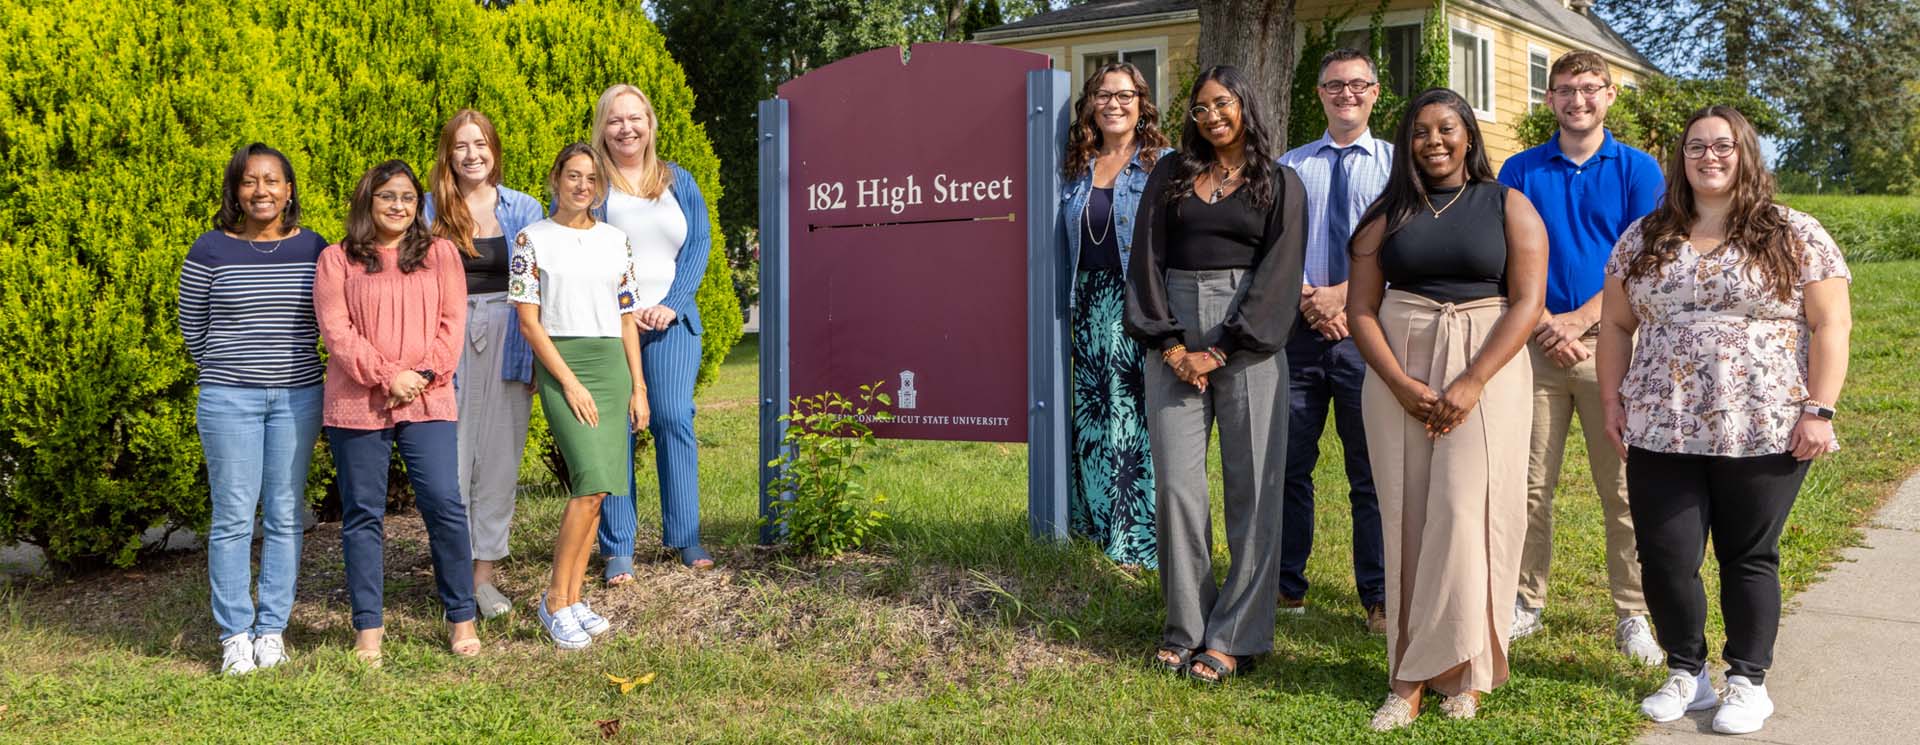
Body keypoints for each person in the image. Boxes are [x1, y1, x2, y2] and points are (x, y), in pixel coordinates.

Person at [1599, 105, 1851, 736]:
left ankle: (1747, 680)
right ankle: (1688, 671)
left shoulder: (1794, 232)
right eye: (1695, 148)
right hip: (1662, 422)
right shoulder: (1645, 235)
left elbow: (1831, 324)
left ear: (1745, 154)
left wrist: (1819, 409)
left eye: (1722, 146)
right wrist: (1611, 400)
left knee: (1748, 554)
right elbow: (1616, 326)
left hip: (1764, 422)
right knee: (1664, 554)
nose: (1708, 157)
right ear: (1680, 160)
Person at [1346, 88, 1547, 729]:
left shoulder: (1507, 204)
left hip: (1485, 369)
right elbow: (1359, 311)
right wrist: (1401, 382)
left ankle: (1468, 668)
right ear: (1405, 142)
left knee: (1467, 511)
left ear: (1469, 137)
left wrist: (1472, 382)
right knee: (1406, 514)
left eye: (1447, 130)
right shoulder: (1387, 216)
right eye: (1421, 132)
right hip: (1399, 369)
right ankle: (1406, 674)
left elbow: (1526, 302)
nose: (1434, 142)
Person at [1125, 65, 1307, 684]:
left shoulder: (1281, 183)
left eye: (1221, 104)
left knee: (1254, 487)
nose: (1211, 117)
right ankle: (1186, 624)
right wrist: (1172, 345)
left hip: (1248, 335)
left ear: (1244, 105)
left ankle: (1236, 634)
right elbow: (1146, 258)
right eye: (1200, 109)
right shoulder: (1171, 174)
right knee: (1178, 485)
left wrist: (1222, 347)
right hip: (1172, 327)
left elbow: (1280, 274)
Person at [1497, 50, 1665, 662]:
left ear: (1610, 95)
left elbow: (1644, 261)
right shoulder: (1519, 170)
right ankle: (1525, 600)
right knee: (1528, 484)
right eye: (1565, 90)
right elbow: (1506, 258)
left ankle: (1633, 612)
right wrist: (1546, 324)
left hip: (1613, 348)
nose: (1578, 100)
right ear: (1549, 100)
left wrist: (1581, 320)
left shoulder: (1639, 170)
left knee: (1621, 488)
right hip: (1533, 347)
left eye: (1590, 89)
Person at [314, 160, 477, 666]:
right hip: (357, 404)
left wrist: (420, 376)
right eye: (387, 196)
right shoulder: (337, 260)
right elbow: (337, 332)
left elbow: (452, 326)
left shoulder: (441, 254)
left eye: (408, 197)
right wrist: (390, 377)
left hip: (428, 399)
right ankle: (368, 629)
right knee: (363, 515)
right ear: (368, 199)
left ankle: (462, 617)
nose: (399, 206)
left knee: (444, 504)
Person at [179, 143, 329, 675]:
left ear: (289, 191)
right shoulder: (210, 249)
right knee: (233, 518)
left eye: (272, 181)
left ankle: (272, 630)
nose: (261, 190)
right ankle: (235, 635)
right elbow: (192, 326)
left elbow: (332, 315)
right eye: (249, 181)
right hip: (229, 400)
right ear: (235, 191)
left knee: (287, 515)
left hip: (297, 397)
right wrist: (230, 371)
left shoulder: (314, 248)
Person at [510, 142, 649, 650]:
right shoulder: (532, 239)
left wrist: (638, 385)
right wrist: (568, 381)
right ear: (555, 178)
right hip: (563, 363)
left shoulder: (617, 240)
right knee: (587, 485)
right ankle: (552, 600)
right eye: (573, 176)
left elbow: (626, 316)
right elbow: (528, 322)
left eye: (591, 179)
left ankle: (573, 597)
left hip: (612, 366)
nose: (582, 186)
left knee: (601, 491)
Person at [1273, 48, 1393, 633]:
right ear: (1318, 94)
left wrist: (1343, 297)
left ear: (1375, 93)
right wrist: (1308, 297)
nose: (1346, 94)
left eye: (1357, 85)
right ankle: (1286, 588)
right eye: (1333, 86)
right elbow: (1271, 246)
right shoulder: (1289, 166)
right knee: (1290, 464)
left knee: (1368, 470)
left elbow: (1403, 247)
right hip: (1298, 336)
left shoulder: (1399, 167)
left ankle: (1378, 597)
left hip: (1368, 336)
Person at [423, 109, 547, 619]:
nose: (472, 154)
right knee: (447, 467)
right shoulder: (428, 208)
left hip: (510, 336)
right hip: (446, 337)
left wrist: (542, 354)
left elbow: (541, 284)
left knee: (497, 464)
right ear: (448, 154)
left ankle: (483, 580)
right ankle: (451, 577)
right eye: (461, 146)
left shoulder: (524, 207)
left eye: (481, 144)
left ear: (494, 150)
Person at [588, 83, 714, 576]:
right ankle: (618, 547)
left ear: (651, 123)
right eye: (615, 120)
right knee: (616, 427)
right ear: (602, 127)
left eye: (635, 118)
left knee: (673, 417)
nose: (626, 128)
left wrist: (671, 303)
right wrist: (626, 308)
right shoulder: (594, 184)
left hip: (672, 323)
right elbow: (584, 251)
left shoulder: (678, 180)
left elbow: (698, 244)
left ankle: (685, 537)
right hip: (611, 324)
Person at [1060, 62, 1172, 569]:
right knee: (1091, 419)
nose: (1113, 104)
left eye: (1124, 95)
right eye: (1103, 95)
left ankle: (1136, 541)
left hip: (1135, 304)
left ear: (1141, 103)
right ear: (1090, 105)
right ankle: (1092, 523)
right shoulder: (1074, 167)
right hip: (1084, 304)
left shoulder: (1162, 164)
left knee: (1131, 419)